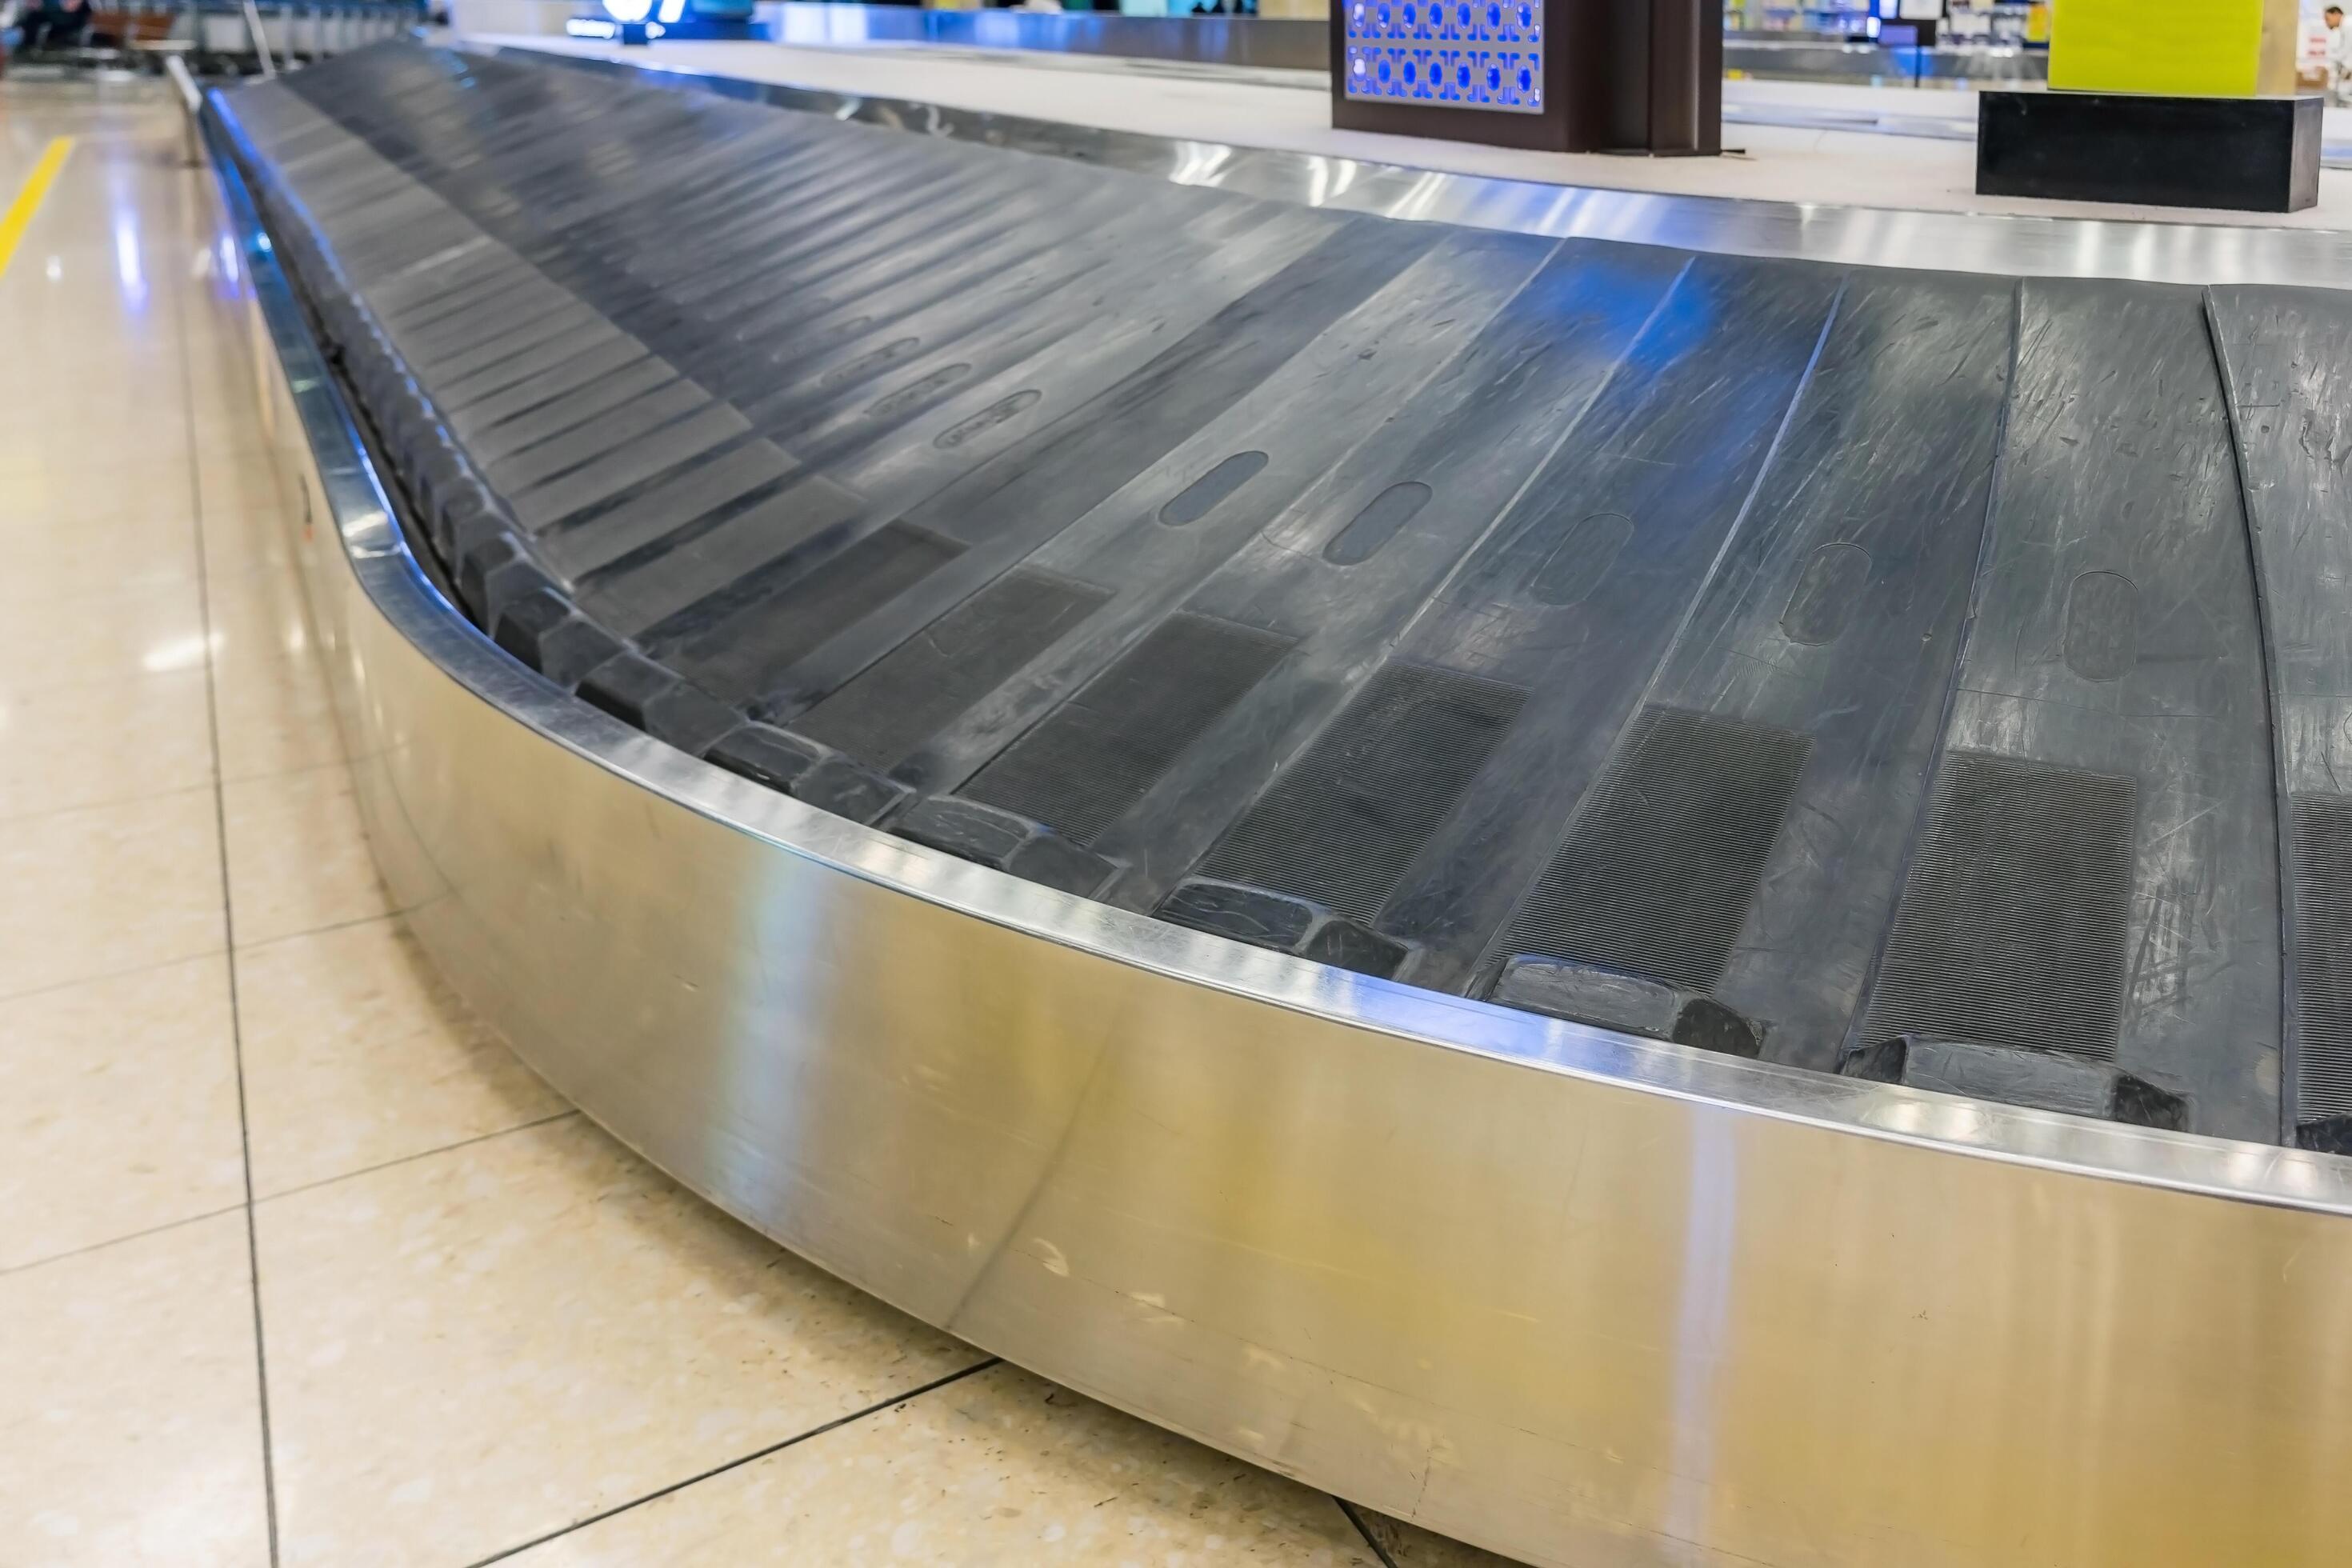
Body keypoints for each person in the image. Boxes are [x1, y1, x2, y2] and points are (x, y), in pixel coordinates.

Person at [15, 0, 93, 54]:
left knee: (34, 17)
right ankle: (26, 45)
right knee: (32, 17)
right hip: (53, 17)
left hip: (70, 19)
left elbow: (71, 7)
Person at [2330, 5, 2352, 107]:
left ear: (2336, 14)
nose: (2327, 23)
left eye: (2328, 19)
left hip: (2347, 66)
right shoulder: (2346, 26)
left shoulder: (2348, 25)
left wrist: (2347, 68)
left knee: (2344, 94)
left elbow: (2347, 49)